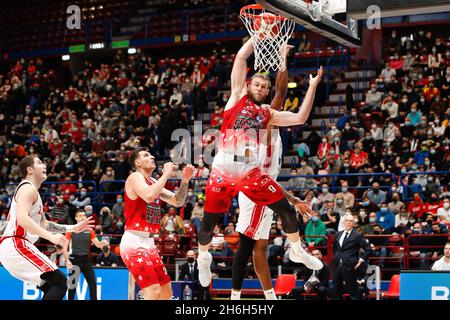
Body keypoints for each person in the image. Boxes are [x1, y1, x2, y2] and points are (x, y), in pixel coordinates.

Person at [197, 37, 323, 288]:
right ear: (249, 85)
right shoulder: (236, 98)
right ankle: (202, 256)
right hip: (223, 168)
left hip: (250, 173)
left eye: (265, 87)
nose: (261, 88)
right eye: (257, 84)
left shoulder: (268, 114)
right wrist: (259, 35)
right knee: (209, 223)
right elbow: (241, 58)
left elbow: (300, 117)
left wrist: (312, 86)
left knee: (287, 211)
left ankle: (296, 249)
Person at [231, 59, 315, 300]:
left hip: (262, 187)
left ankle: (269, 297)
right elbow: (281, 92)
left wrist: (293, 197)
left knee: (259, 248)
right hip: (255, 190)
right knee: (247, 246)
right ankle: (236, 298)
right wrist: (281, 59)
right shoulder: (265, 124)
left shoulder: (270, 125)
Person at [0, 155, 93, 300]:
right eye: (39, 162)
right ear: (30, 170)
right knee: (61, 283)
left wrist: (73, 228)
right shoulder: (27, 189)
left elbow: (45, 224)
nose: (44, 165)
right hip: (16, 244)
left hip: (13, 249)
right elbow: (22, 219)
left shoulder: (33, 193)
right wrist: (51, 237)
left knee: (50, 286)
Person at [119, 147, 194, 300]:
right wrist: (166, 174)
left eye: (152, 154)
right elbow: (148, 195)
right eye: (146, 155)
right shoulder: (135, 177)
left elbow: (178, 201)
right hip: (134, 241)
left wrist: (184, 181)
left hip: (149, 242)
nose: (152, 156)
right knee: (153, 291)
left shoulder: (153, 182)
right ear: (138, 162)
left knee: (166, 292)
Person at [64, 209, 105, 300]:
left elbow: (98, 245)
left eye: (84, 215)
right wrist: (67, 260)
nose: (82, 217)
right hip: (74, 260)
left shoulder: (90, 230)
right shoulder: (70, 230)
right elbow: (65, 247)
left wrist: (102, 243)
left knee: (93, 284)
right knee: (72, 287)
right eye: (80, 215)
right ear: (76, 218)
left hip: (86, 261)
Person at [332, 213, 371, 300]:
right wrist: (336, 257)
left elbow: (368, 249)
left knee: (353, 293)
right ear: (344, 222)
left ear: (353, 223)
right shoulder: (338, 234)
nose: (349, 223)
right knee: (336, 292)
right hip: (337, 266)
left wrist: (361, 260)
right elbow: (335, 248)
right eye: (347, 220)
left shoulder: (357, 235)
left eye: (351, 221)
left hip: (350, 266)